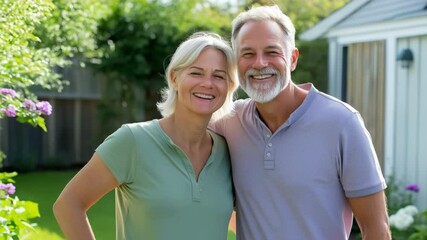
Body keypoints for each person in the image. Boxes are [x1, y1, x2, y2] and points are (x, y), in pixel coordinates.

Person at [210, 5, 391, 240]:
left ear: (293, 59)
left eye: (272, 52)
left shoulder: (342, 123)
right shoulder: (226, 121)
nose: (259, 63)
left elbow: (377, 230)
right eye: (247, 54)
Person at [53, 32, 239, 240]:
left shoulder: (227, 150)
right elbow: (68, 205)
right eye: (196, 73)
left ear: (229, 87)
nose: (208, 83)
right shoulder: (132, 141)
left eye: (219, 76)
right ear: (174, 78)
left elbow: (224, 217)